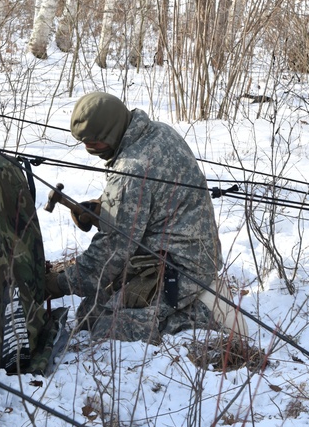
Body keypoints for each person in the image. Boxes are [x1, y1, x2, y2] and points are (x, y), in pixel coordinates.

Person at [44, 92, 225, 343]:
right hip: (191, 251)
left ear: (110, 132)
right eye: (83, 142)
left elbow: (109, 255)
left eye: (94, 142)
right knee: (88, 315)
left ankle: (200, 315)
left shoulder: (131, 169)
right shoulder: (157, 131)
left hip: (180, 269)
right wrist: (102, 209)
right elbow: (151, 203)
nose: (88, 149)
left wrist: (58, 284)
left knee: (109, 330)